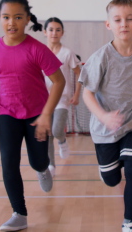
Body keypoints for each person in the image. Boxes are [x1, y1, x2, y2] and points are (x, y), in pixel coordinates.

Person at [0, 0, 65, 231]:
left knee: (38, 161)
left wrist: (47, 114)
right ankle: (19, 213)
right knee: (9, 163)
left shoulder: (37, 49)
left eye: (18, 17)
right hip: (7, 113)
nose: (12, 23)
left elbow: (59, 81)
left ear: (27, 19)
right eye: (6, 17)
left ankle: (42, 168)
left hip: (37, 114)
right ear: (0, 19)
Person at [79, 0, 132, 232]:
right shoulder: (101, 57)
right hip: (105, 128)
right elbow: (87, 94)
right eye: (117, 20)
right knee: (112, 179)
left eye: (128, 19)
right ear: (109, 25)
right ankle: (107, 170)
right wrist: (104, 117)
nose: (123, 24)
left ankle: (130, 222)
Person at [43, 17, 82, 177]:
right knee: (46, 134)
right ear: (45, 32)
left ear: (62, 33)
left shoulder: (67, 53)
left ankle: (62, 140)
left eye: (58, 30)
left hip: (62, 99)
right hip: (43, 101)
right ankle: (51, 165)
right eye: (51, 29)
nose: (54, 33)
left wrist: (76, 94)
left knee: (57, 130)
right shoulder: (39, 51)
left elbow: (80, 74)